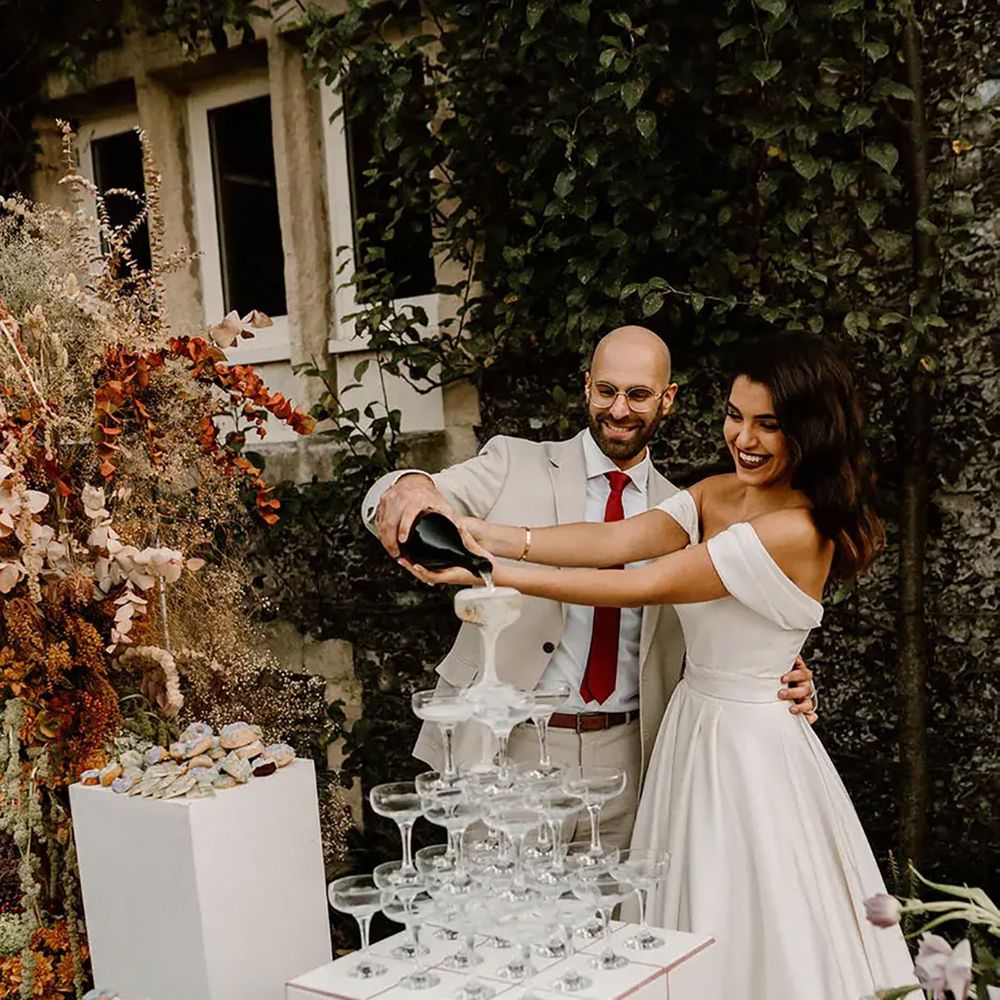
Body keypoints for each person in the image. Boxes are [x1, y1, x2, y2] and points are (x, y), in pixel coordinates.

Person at [407, 333, 914, 1000]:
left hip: (748, 750)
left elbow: (639, 584)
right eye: (736, 415)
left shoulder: (799, 528)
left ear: (811, 429)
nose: (747, 438)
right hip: (686, 734)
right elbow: (614, 540)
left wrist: (486, 570)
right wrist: (486, 531)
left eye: (770, 423)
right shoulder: (714, 493)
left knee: (749, 915)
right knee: (661, 917)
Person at [363, 325, 816, 853]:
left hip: (632, 755)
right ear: (586, 388)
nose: (619, 409)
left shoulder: (691, 508)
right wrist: (408, 487)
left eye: (638, 395)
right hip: (511, 744)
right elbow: (405, 497)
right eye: (606, 391)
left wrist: (779, 674)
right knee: (504, 924)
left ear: (668, 400)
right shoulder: (513, 462)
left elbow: (731, 610)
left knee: (617, 922)